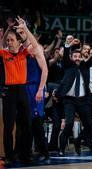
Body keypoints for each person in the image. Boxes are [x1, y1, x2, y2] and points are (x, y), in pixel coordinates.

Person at [0, 16, 40, 165]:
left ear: (18, 42)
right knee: (9, 126)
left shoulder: (24, 53)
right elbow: (2, 42)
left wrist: (25, 29)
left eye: (12, 40)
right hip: (9, 92)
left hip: (22, 91)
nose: (9, 43)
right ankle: (10, 156)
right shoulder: (4, 54)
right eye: (8, 41)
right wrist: (8, 30)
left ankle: (25, 154)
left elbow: (34, 46)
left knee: (26, 124)